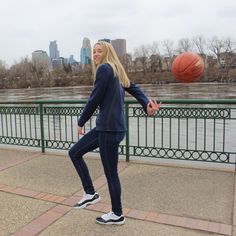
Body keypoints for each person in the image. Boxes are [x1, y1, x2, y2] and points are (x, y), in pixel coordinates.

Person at [68, 41, 161, 225]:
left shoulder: (104, 69)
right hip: (112, 128)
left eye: (99, 51)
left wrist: (81, 121)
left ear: (107, 52)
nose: (95, 54)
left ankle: (116, 213)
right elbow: (133, 87)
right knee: (75, 152)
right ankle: (90, 193)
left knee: (111, 174)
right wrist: (146, 105)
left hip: (108, 130)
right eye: (93, 51)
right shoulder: (116, 69)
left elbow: (94, 99)